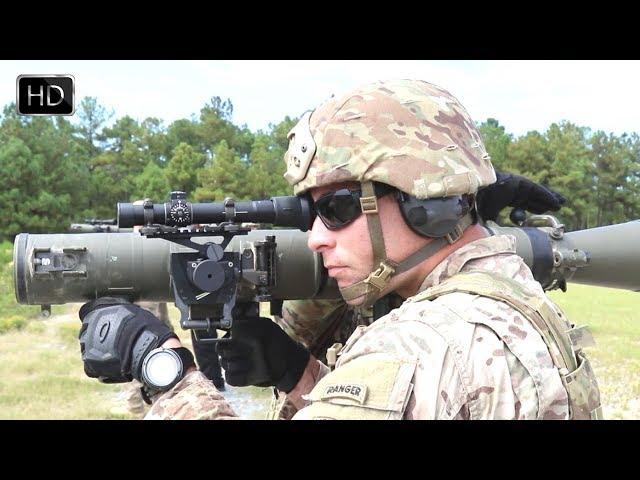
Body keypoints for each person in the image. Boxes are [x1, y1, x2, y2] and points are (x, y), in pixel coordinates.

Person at [78, 79, 600, 419]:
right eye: (310, 213)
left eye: (339, 208)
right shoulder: (516, 296)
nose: (316, 236)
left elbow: (421, 379)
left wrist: (162, 369)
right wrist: (300, 376)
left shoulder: (418, 347)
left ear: (427, 203)